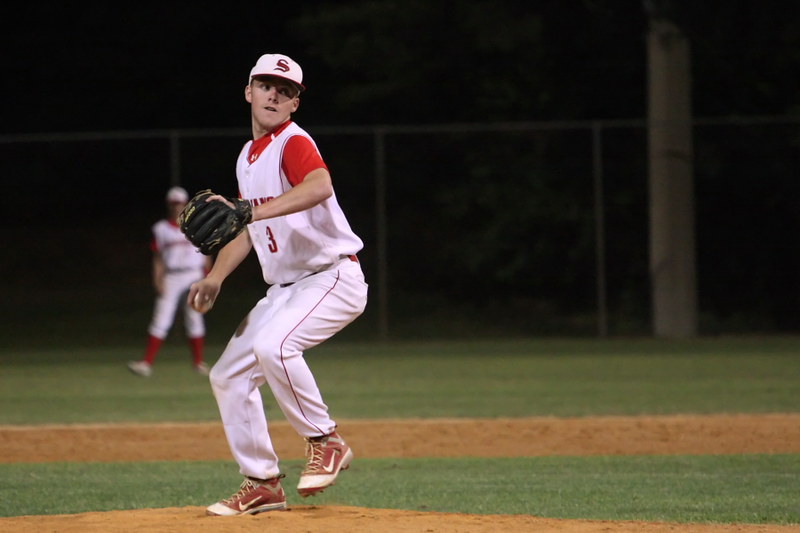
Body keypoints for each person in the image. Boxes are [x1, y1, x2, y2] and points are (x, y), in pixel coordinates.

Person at [188, 53, 368, 517]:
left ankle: (325, 441)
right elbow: (249, 230)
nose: (274, 94)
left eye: (285, 91)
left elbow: (320, 185)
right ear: (249, 91)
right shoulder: (248, 157)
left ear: (294, 106)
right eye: (266, 85)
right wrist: (216, 276)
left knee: (275, 348)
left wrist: (252, 210)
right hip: (286, 290)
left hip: (331, 277)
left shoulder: (292, 141)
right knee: (227, 376)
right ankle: (263, 482)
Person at [127, 186, 213, 377]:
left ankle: (199, 363)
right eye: (174, 204)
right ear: (169, 205)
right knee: (161, 317)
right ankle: (146, 363)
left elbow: (207, 252)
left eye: (180, 203)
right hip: (172, 276)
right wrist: (158, 279)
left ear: (186, 204)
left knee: (194, 317)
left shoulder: (198, 224)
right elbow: (157, 258)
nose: (177, 207)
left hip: (194, 275)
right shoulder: (161, 229)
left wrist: (209, 277)